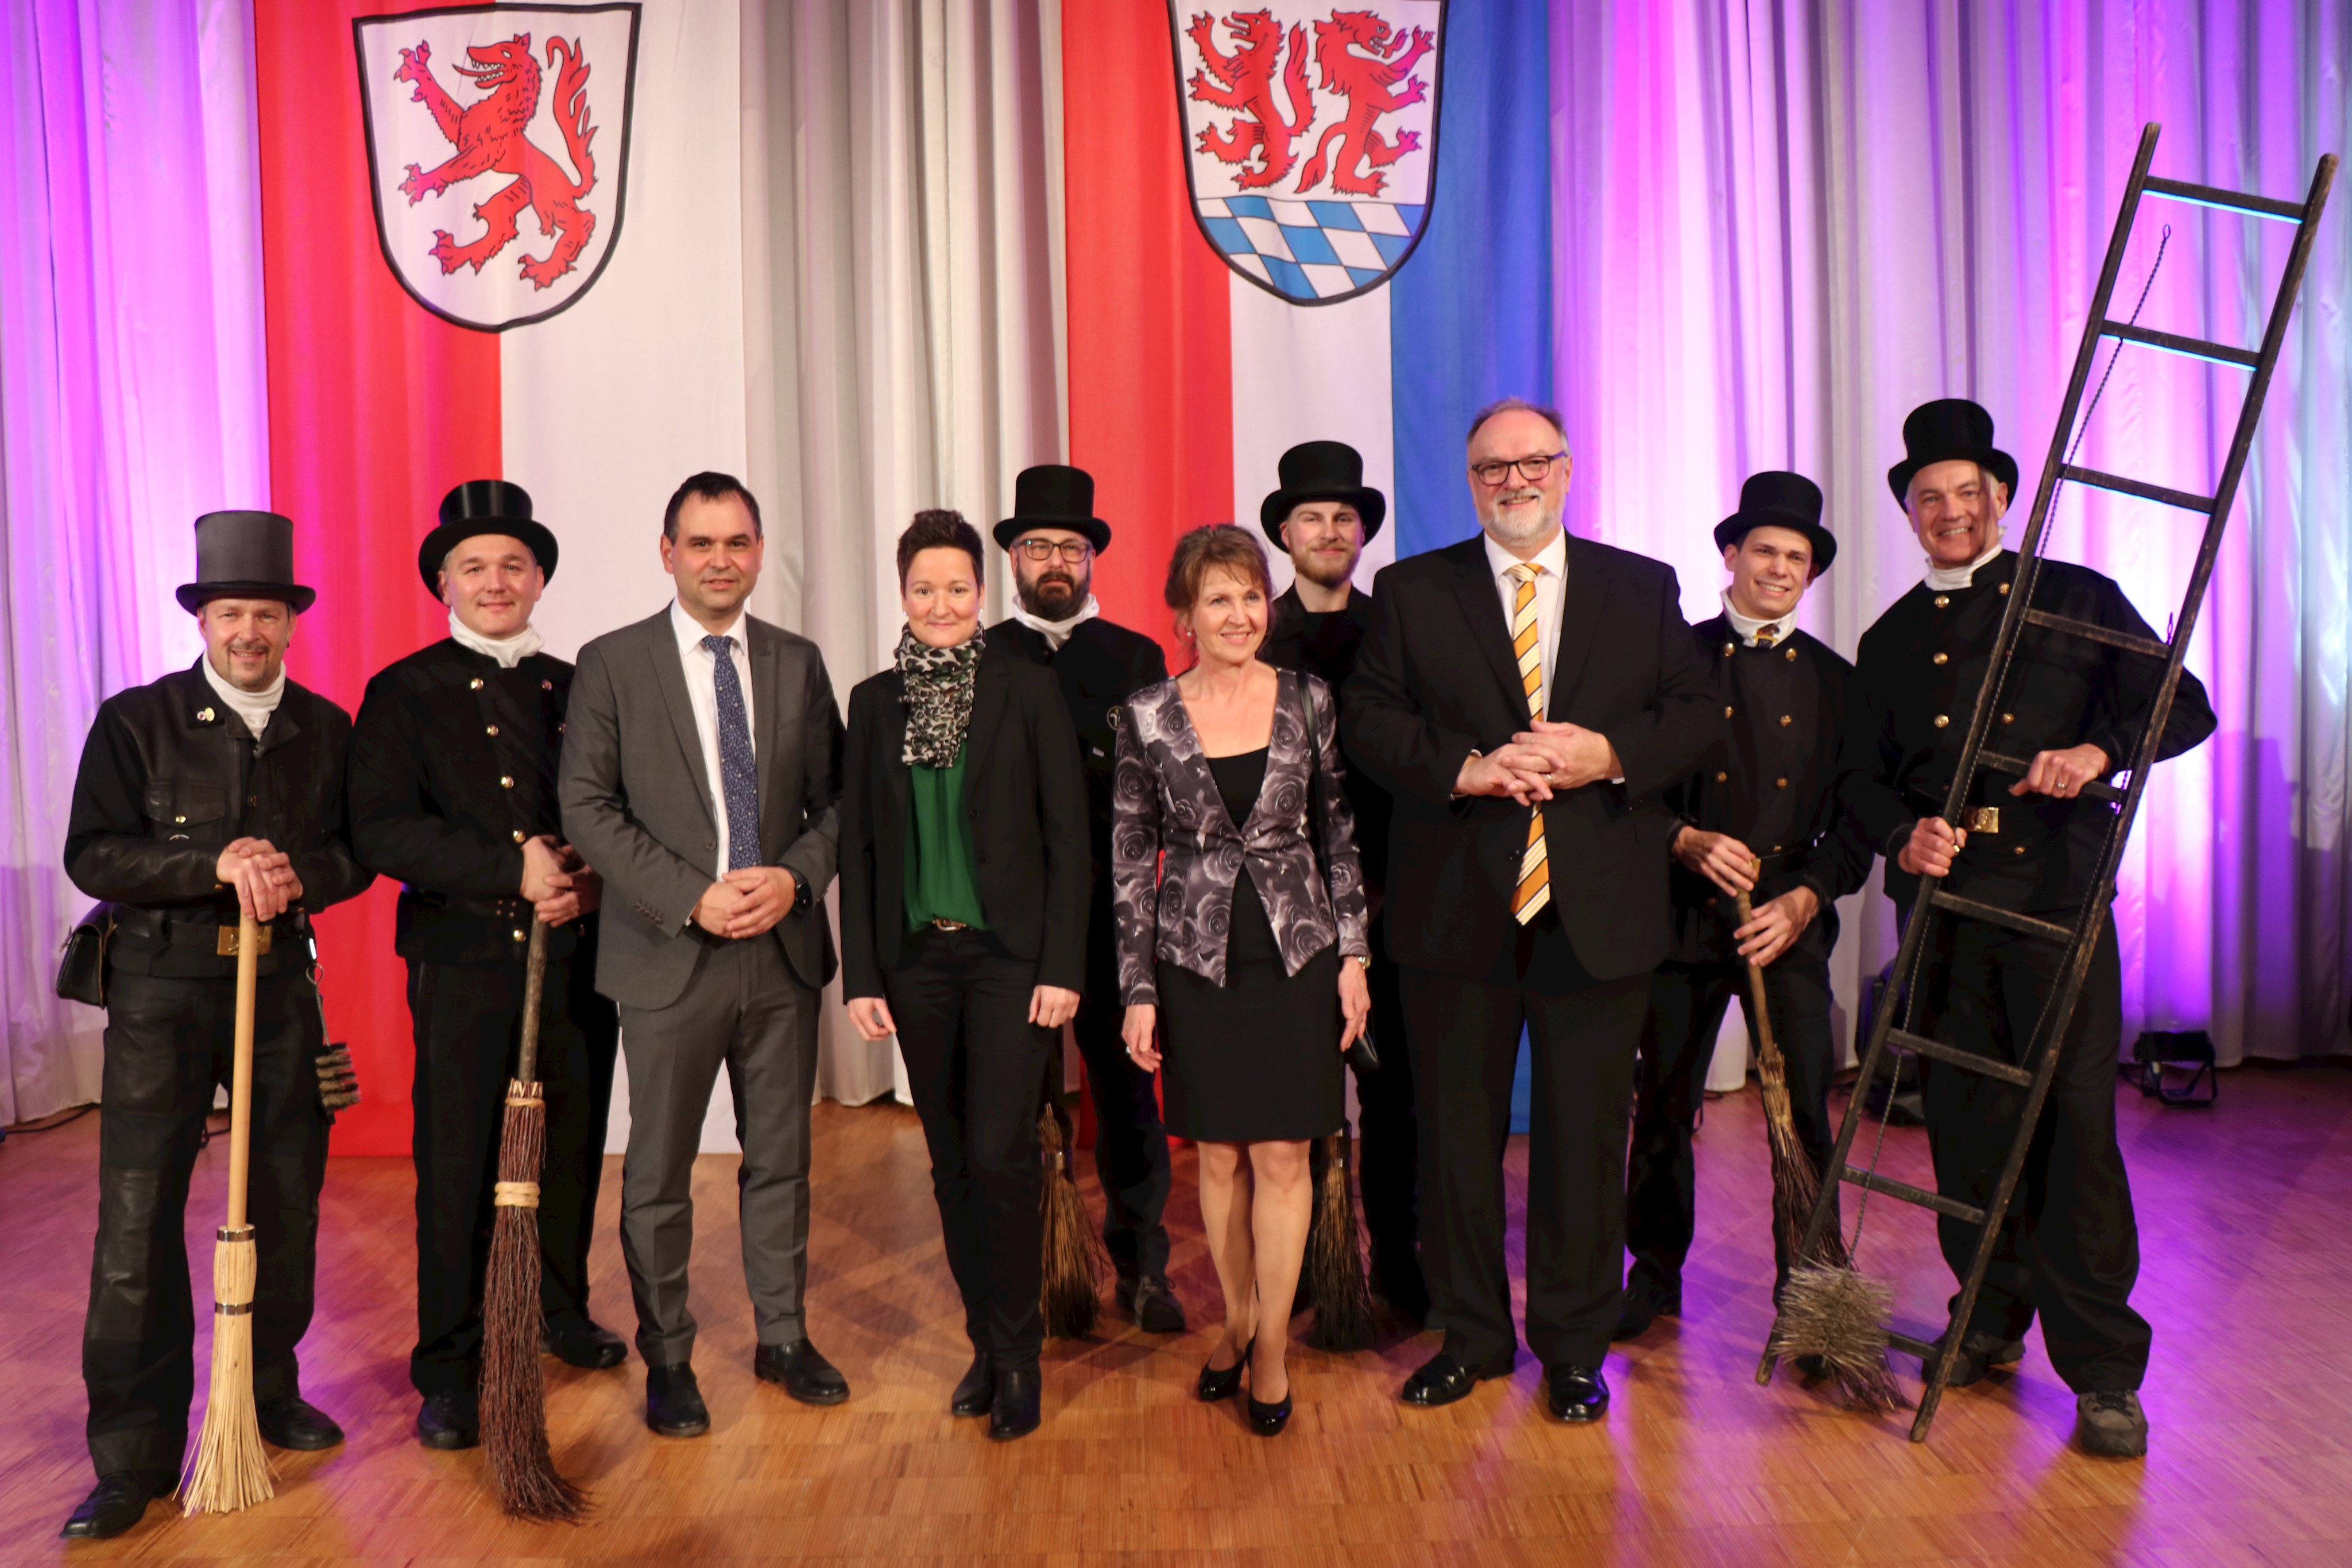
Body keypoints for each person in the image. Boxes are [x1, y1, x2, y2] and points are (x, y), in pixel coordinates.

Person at [1847, 398, 2215, 1459]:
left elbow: (2182, 705)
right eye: (1931, 499)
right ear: (1912, 515)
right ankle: (1989, 1315)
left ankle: (2103, 1370)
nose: (1952, 512)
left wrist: (2098, 752)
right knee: (1963, 1126)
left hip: (2055, 909)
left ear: (2003, 498)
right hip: (1946, 919)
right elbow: (1862, 786)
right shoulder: (1892, 637)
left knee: (2074, 1135)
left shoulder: (2074, 597)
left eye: (1970, 493)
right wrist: (1900, 837)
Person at [1343, 397, 1715, 1423]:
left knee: (1584, 1142)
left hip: (1597, 911)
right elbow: (1368, 719)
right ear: (1470, 484)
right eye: (1491, 469)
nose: (1513, 482)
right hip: (1457, 909)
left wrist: (1609, 755)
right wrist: (1462, 770)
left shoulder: (1641, 589)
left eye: (1531, 463)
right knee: (1453, 1139)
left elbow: (1696, 711)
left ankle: (1575, 1348)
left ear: (1566, 468)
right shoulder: (1413, 591)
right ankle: (1471, 1336)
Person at [59, 512, 374, 1539]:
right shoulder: (135, 720)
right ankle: (133, 1452)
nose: (250, 630)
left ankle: (266, 1388)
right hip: (158, 992)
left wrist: (294, 875)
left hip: (280, 991)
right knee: (138, 1218)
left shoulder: (327, 728)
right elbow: (93, 855)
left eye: (268, 613)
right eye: (232, 611)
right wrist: (212, 866)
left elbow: (355, 854)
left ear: (291, 624)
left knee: (285, 1192)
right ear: (205, 618)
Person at [558, 471, 848, 1438]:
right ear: (667, 552)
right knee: (659, 1173)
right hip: (666, 954)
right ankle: (670, 1356)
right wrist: (692, 894)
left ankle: (783, 1336)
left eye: (737, 543)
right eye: (702, 543)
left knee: (781, 1161)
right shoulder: (612, 664)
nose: (721, 560)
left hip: (780, 951)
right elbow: (586, 808)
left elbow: (840, 806)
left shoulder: (799, 662)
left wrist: (793, 880)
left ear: (759, 552)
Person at [348, 480, 625, 1451]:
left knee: (575, 1140)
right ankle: (451, 1361)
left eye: (513, 564)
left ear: (540, 577)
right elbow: (381, 828)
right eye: (475, 567)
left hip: (581, 948)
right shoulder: (403, 691)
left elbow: (614, 805)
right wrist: (512, 869)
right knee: (461, 1156)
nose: (496, 581)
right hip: (465, 959)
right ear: (443, 584)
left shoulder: (580, 682)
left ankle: (557, 1308)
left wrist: (590, 881)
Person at [1114, 524, 1372, 1437]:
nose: (1239, 615)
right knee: (1218, 1156)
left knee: (1286, 1154)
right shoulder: (1145, 714)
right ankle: (1236, 1318)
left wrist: (1354, 957)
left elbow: (1339, 837)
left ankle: (1269, 1349)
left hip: (1298, 956)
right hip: (1194, 959)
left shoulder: (1309, 700)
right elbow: (1131, 857)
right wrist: (1137, 989)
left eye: (1251, 596)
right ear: (1184, 616)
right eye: (1217, 599)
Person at [838, 510, 1090, 1441]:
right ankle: (985, 1341)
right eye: (922, 589)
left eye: (956, 588)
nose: (940, 605)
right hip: (915, 963)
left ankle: (1020, 1357)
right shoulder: (873, 703)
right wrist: (861, 974)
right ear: (900, 595)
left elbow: (1070, 839)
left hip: (1007, 962)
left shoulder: (1026, 691)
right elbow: (859, 850)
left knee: (1000, 1154)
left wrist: (1063, 964)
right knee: (947, 1163)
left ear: (980, 593)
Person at [1616, 471, 1871, 1338]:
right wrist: (1683, 841)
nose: (1779, 568)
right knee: (1663, 1104)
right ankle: (1651, 1277)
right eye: (1764, 550)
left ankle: (1812, 1297)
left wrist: (1805, 898)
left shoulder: (1842, 685)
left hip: (1786, 925)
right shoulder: (1673, 662)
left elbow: (1855, 824)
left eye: (1796, 557)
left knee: (1803, 1112)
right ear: (1729, 556)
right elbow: (1627, 794)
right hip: (1682, 921)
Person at [988, 464, 1185, 1334]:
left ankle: (1144, 1265)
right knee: (1024, 1101)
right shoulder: (985, 654)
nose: (1055, 562)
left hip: (1114, 918)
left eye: (1071, 546)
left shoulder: (1135, 657)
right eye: (1039, 547)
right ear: (1015, 559)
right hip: (1013, 925)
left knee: (1128, 1096)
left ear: (1093, 557)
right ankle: (1041, 1270)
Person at [1258, 440, 1425, 1322]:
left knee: (1397, 1096)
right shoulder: (1258, 638)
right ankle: (1314, 1267)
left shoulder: (1398, 634)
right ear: (1285, 532)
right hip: (1287, 912)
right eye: (1312, 516)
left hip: (1396, 903)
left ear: (1362, 534)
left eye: (1344, 518)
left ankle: (1399, 1261)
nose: (1329, 530)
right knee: (1303, 1097)